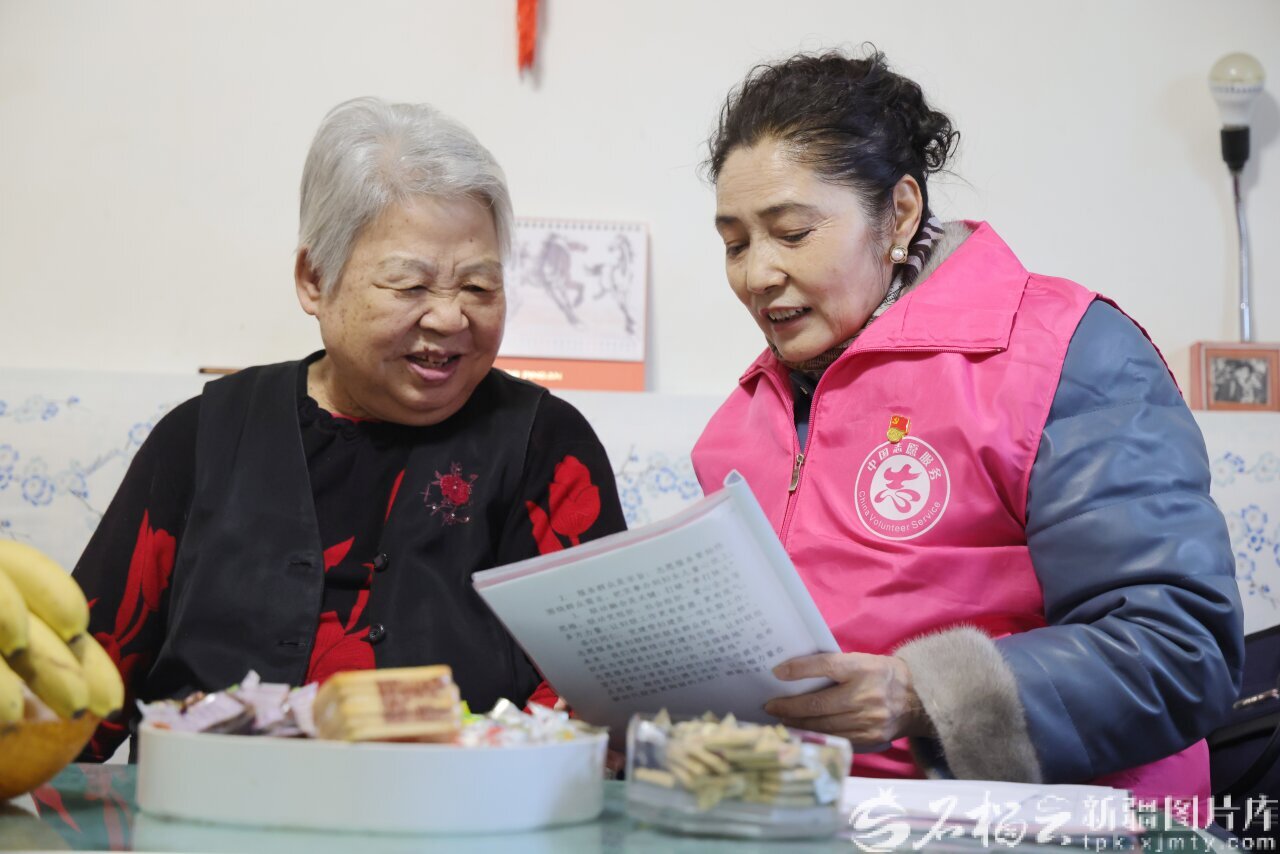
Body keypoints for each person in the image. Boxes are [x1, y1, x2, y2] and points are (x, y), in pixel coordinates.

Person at [692, 50, 1243, 809]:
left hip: (1045, 822)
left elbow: (1180, 651)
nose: (757, 274)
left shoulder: (1065, 354)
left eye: (791, 232)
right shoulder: (743, 421)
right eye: (735, 243)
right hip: (808, 818)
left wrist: (923, 696)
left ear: (900, 214)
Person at [73, 97, 625, 760]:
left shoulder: (548, 449)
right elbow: (72, 699)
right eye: (410, 285)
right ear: (315, 279)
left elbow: (595, 696)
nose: (450, 318)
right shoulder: (200, 439)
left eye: (478, 287)